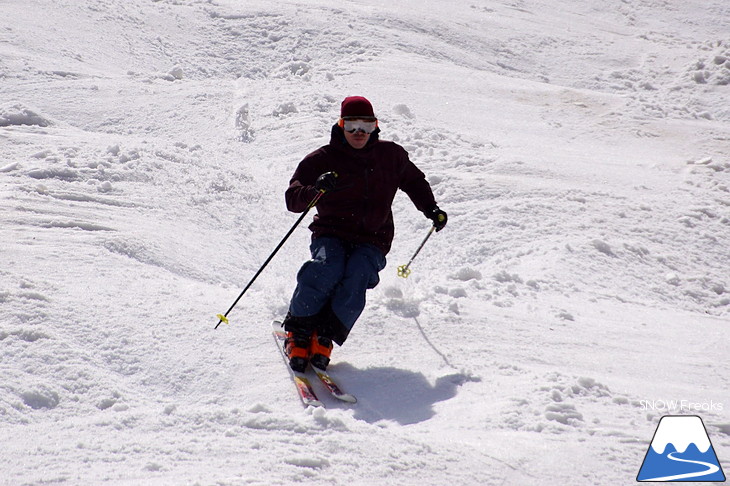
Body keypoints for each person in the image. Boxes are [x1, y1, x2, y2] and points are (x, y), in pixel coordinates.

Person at [281, 96, 447, 372]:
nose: (359, 132)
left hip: (373, 237)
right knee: (326, 268)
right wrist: (316, 189)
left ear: (375, 127)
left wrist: (431, 209)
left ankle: (324, 334)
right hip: (331, 232)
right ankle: (298, 329)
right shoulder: (322, 159)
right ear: (341, 125)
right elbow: (292, 199)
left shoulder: (391, 155)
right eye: (352, 125)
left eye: (366, 126)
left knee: (358, 274)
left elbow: (415, 182)